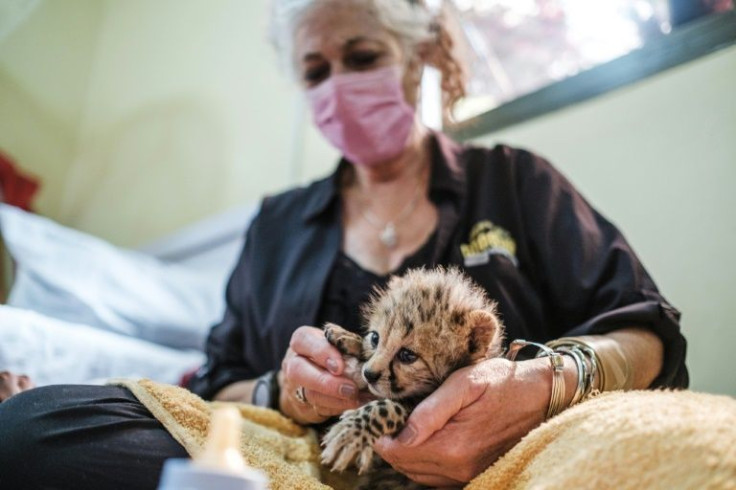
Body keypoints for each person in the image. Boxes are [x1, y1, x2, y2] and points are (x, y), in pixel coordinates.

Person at [0, 0, 687, 488]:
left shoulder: (515, 182)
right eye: (315, 72)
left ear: (416, 54)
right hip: (293, 462)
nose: (339, 88)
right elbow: (218, 379)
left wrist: (547, 380)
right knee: (30, 432)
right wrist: (286, 392)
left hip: (504, 466)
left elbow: (644, 329)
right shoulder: (277, 227)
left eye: (361, 57)